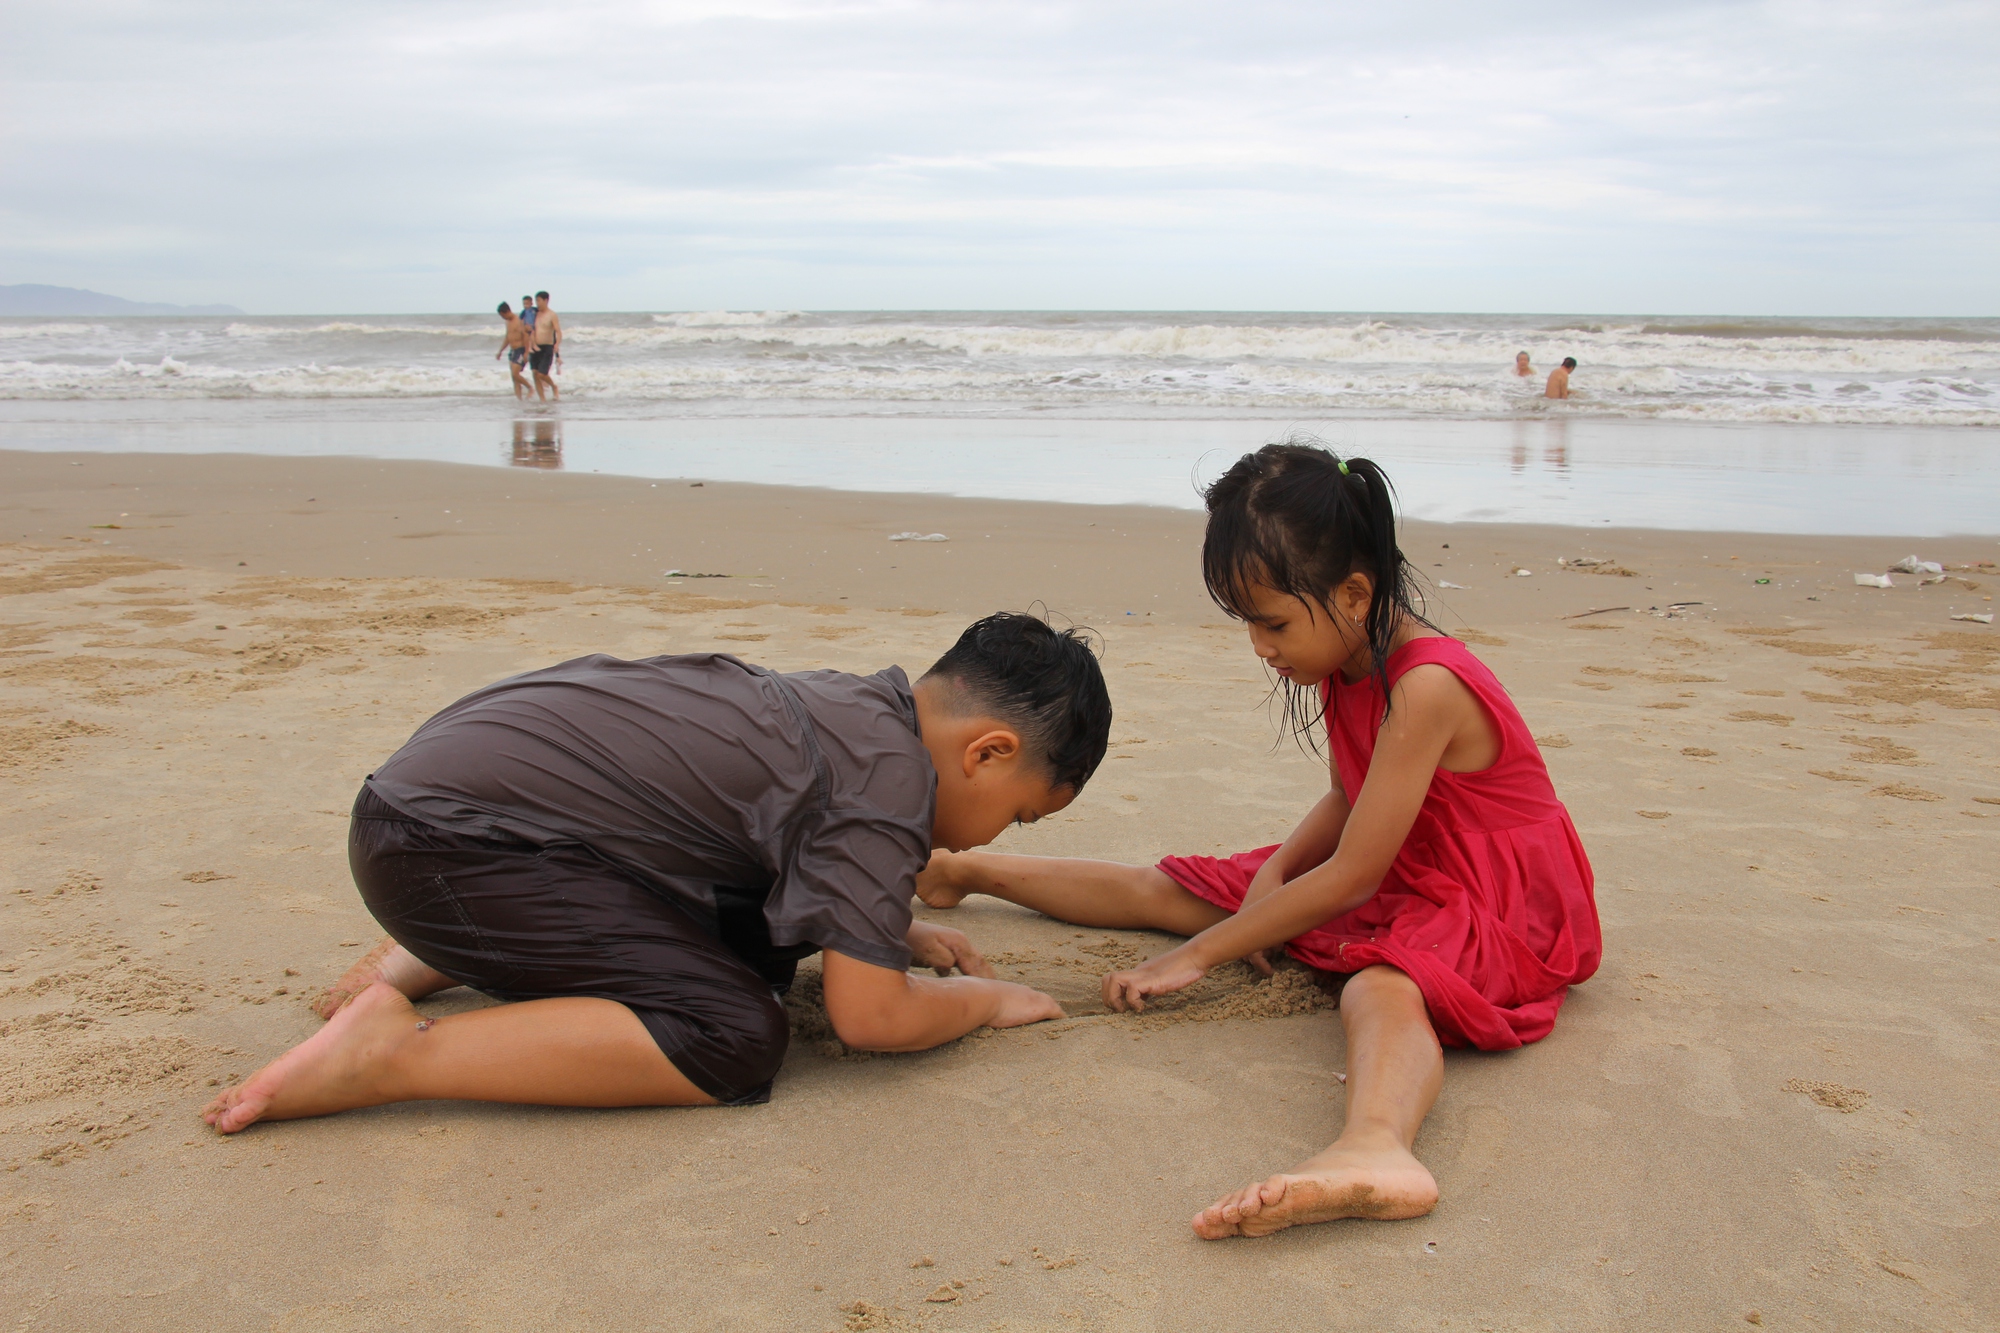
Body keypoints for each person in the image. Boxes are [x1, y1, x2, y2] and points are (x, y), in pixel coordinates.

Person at [916, 443, 1600, 1239]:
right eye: (1247, 622)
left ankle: (1376, 1146)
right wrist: (1274, 870)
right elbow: (1352, 794)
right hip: (1406, 854)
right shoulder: (1353, 657)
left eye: (1272, 621)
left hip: (1495, 897)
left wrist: (1197, 955)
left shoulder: (1427, 685)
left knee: (1381, 983)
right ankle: (966, 870)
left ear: (1354, 592)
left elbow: (1352, 872)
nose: (1260, 646)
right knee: (1179, 887)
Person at [202, 612, 1111, 1133]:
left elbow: (753, 832)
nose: (1002, 830)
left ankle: (423, 953)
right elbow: (870, 1017)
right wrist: (986, 1002)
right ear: (987, 753)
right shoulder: (888, 783)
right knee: (735, 1034)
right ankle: (394, 1052)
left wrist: (888, 927)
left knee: (763, 943)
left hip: (428, 810)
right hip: (455, 852)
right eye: (1020, 813)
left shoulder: (856, 709)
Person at [494, 302, 534, 400]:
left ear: (507, 311)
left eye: (503, 315)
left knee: (515, 374)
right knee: (514, 379)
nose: (503, 318)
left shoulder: (519, 321)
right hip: (513, 350)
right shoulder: (507, 322)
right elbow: (508, 337)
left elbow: (526, 336)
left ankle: (530, 388)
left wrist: (526, 352)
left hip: (521, 349)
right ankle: (519, 400)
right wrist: (500, 351)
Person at [529, 290, 561, 401]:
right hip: (535, 347)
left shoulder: (552, 315)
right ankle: (542, 399)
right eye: (536, 300)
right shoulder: (534, 313)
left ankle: (554, 387)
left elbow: (558, 331)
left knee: (542, 374)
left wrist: (557, 344)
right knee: (534, 374)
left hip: (547, 347)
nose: (537, 303)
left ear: (546, 300)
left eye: (538, 300)